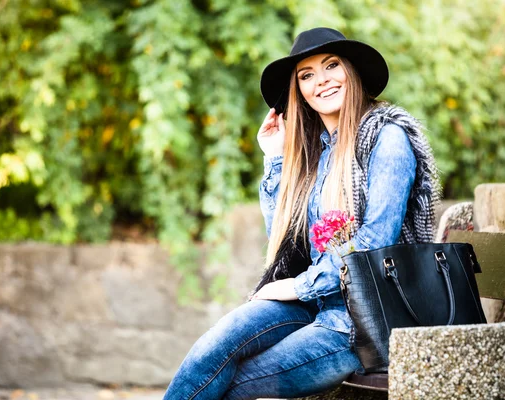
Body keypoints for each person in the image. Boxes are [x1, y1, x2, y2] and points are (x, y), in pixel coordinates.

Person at [163, 27, 439, 400]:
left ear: (352, 72)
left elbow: (376, 243)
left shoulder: (386, 137)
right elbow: (286, 241)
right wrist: (275, 159)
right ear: (299, 92)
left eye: (331, 66)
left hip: (358, 324)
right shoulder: (319, 154)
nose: (320, 81)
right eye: (307, 75)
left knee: (230, 386)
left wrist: (297, 286)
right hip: (313, 305)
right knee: (210, 352)